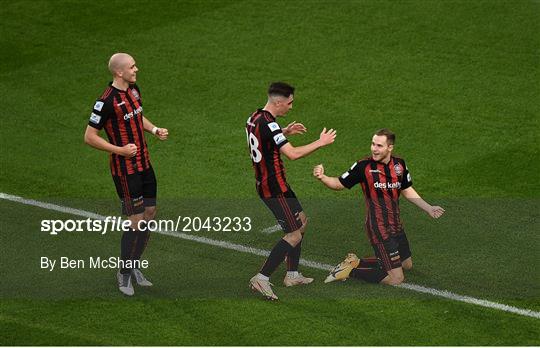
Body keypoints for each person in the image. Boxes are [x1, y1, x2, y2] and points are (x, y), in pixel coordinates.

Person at [313, 128, 444, 285]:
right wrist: (323, 177)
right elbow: (338, 184)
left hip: (396, 224)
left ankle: (355, 262)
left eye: (379, 146)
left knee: (406, 264)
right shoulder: (363, 167)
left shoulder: (399, 165)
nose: (374, 149)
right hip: (379, 227)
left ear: (390, 147)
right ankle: (350, 271)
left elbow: (406, 189)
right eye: (373, 144)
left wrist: (428, 208)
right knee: (396, 279)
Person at [84, 53, 169, 296]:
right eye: (132, 67)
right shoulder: (105, 102)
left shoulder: (133, 90)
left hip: (145, 164)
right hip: (125, 171)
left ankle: (134, 265)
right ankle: (123, 272)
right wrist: (119, 150)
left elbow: (136, 114)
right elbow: (89, 137)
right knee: (135, 221)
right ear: (119, 72)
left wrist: (153, 129)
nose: (136, 69)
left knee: (150, 213)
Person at [246, 82, 336, 300]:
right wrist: (320, 142)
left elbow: (263, 136)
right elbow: (293, 154)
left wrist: (284, 132)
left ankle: (292, 274)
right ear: (278, 102)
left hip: (274, 184)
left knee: (302, 221)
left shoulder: (255, 117)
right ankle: (261, 278)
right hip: (273, 187)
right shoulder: (270, 125)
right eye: (289, 103)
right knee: (294, 234)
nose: (291, 107)